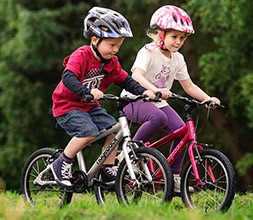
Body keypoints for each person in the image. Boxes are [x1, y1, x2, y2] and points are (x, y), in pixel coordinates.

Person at [50, 6, 155, 189]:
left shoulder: (111, 63)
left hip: (89, 106)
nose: (115, 50)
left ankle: (106, 169)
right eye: (112, 45)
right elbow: (67, 77)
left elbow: (126, 81)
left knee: (113, 130)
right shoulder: (82, 55)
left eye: (118, 46)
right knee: (88, 131)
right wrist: (86, 91)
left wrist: (143, 92)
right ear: (95, 39)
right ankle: (62, 163)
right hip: (67, 106)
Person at [121, 5, 221, 193]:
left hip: (158, 101)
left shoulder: (178, 59)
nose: (178, 42)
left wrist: (208, 98)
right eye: (174, 37)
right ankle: (131, 152)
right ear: (161, 35)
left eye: (182, 38)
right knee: (159, 118)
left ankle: (174, 178)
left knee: (182, 131)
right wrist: (154, 90)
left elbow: (189, 86)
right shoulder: (148, 52)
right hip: (134, 100)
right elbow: (136, 76)